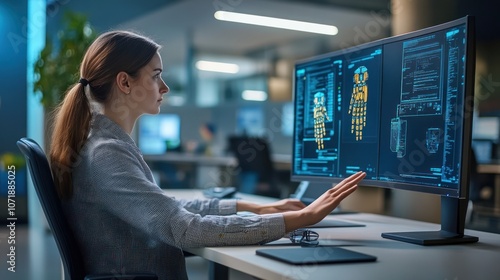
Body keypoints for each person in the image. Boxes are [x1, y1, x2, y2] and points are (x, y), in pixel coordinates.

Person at [49, 30, 366, 279]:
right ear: (124, 82)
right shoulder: (107, 152)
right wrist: (300, 219)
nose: (165, 87)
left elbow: (165, 207)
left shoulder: (103, 143)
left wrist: (253, 207)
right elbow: (185, 229)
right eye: (156, 74)